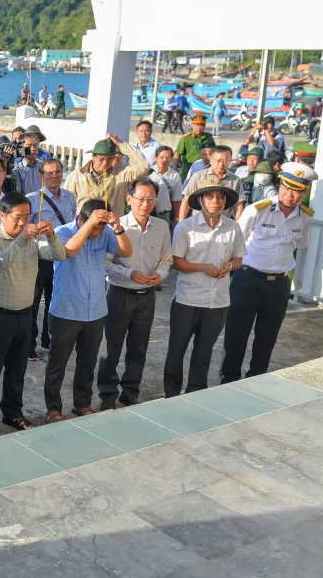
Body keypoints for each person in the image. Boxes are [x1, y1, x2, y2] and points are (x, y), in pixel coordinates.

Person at [0, 192, 64, 438]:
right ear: (2, 215)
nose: (24, 222)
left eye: (27, 216)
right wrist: (22, 239)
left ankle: (12, 412)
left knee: (17, 368)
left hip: (25, 313)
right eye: (18, 217)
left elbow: (60, 255)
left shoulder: (34, 239)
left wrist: (52, 235)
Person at [221, 164, 317, 384]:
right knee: (236, 335)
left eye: (296, 191)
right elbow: (234, 244)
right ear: (279, 184)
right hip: (248, 279)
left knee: (267, 338)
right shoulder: (257, 209)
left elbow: (300, 244)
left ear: (303, 193)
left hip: (278, 286)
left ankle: (256, 382)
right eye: (286, 187)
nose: (289, 195)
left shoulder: (305, 217)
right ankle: (227, 382)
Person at [45, 199, 131, 422]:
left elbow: (126, 251)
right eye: (95, 226)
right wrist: (89, 224)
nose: (98, 232)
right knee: (58, 364)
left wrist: (117, 227)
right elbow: (69, 251)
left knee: (88, 362)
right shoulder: (62, 232)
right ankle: (53, 408)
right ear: (81, 219)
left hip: (95, 310)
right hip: (66, 310)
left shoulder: (105, 232)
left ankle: (82, 403)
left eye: (101, 227)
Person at [165, 182, 246, 398]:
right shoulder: (186, 227)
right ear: (201, 200)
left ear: (225, 202)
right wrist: (203, 267)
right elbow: (176, 262)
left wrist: (229, 266)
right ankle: (171, 395)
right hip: (187, 299)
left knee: (203, 353)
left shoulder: (233, 227)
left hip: (218, 301)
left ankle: (195, 393)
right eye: (209, 197)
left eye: (220, 197)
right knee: (176, 350)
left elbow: (239, 258)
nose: (215, 201)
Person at [98, 178, 171, 409]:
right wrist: (129, 273)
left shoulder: (161, 226)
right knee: (111, 348)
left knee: (139, 347)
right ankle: (107, 395)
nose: (145, 204)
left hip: (147, 297)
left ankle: (130, 392)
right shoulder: (116, 227)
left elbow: (166, 259)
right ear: (129, 198)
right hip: (119, 294)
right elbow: (105, 263)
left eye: (150, 199)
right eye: (140, 198)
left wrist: (160, 274)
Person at [26, 158, 77, 363]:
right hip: (40, 256)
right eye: (49, 173)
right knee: (34, 301)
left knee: (56, 300)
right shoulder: (32, 199)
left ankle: (48, 341)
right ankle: (30, 345)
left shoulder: (69, 197)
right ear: (41, 177)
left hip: (61, 255)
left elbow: (73, 225)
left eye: (57, 172)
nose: (54, 176)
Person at [63, 135, 149, 213]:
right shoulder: (76, 176)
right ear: (93, 156)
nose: (105, 163)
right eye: (101, 159)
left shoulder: (122, 174)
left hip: (111, 226)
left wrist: (120, 144)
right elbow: (65, 204)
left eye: (109, 159)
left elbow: (143, 166)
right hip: (84, 227)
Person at [180, 145, 244, 222]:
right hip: (199, 224)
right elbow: (186, 200)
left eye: (225, 161)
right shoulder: (199, 176)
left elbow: (238, 205)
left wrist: (239, 225)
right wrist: (180, 223)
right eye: (218, 160)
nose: (221, 164)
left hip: (223, 224)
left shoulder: (235, 179)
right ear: (211, 160)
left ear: (230, 161)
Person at [150, 146, 183, 230]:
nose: (164, 160)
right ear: (155, 158)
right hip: (147, 212)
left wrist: (176, 219)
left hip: (164, 215)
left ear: (171, 159)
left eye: (168, 158)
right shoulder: (148, 173)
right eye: (161, 157)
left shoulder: (175, 176)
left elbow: (177, 200)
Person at [174, 114, 214, 179]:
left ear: (204, 126)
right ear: (192, 125)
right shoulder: (186, 138)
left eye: (201, 125)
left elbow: (215, 152)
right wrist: (175, 168)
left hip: (206, 170)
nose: (199, 127)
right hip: (189, 170)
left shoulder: (209, 137)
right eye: (197, 125)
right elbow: (177, 154)